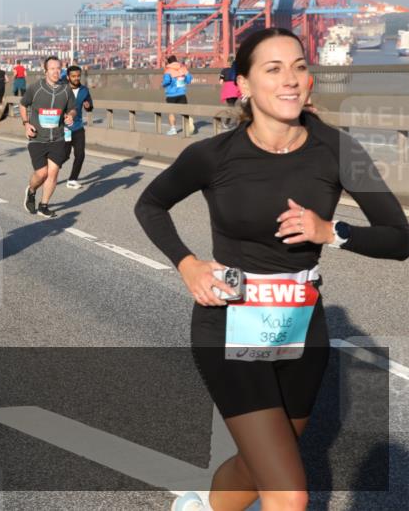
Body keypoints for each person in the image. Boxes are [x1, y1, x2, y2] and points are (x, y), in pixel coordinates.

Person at [135, 27, 409, 511]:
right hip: (229, 323)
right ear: (244, 84)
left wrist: (333, 232)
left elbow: (400, 238)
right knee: (289, 495)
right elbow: (151, 204)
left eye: (300, 67)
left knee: (256, 465)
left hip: (302, 330)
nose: (291, 79)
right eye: (274, 68)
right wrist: (188, 264)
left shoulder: (341, 151)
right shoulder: (212, 155)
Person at [20, 56, 76, 217]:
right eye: (52, 69)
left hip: (57, 138)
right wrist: (26, 123)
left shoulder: (66, 90)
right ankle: (31, 191)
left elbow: (72, 108)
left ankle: (44, 205)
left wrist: (70, 115)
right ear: (45, 71)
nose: (56, 71)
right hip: (37, 137)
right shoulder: (36, 88)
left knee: (53, 173)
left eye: (58, 68)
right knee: (42, 173)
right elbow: (23, 104)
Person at [63, 65, 94, 189]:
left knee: (80, 155)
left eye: (78, 76)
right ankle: (49, 171)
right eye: (73, 76)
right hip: (64, 128)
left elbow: (90, 104)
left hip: (78, 127)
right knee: (64, 155)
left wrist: (88, 106)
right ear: (68, 77)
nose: (76, 78)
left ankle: (72, 180)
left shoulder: (84, 90)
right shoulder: (62, 89)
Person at [162, 55, 192, 135]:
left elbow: (167, 81)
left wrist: (163, 84)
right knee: (184, 111)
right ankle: (188, 126)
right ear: (176, 60)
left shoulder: (168, 70)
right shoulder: (183, 68)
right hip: (182, 93)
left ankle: (173, 129)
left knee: (171, 112)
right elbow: (189, 79)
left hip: (171, 95)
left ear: (169, 62)